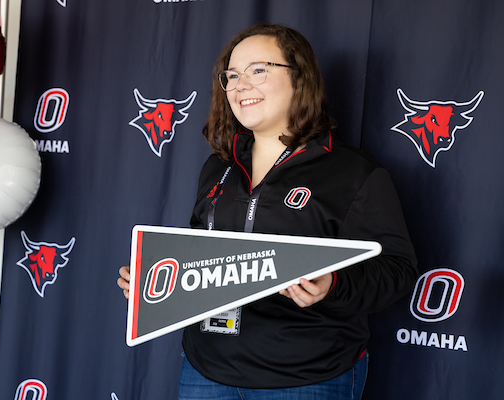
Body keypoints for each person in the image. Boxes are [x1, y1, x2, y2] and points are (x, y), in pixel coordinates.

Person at [118, 23, 417, 400]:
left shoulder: (354, 173)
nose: (240, 85)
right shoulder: (218, 166)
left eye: (258, 70)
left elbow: (397, 270)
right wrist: (157, 277)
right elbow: (198, 252)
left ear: (300, 78)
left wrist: (333, 285)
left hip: (307, 379)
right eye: (231, 75)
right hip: (205, 372)